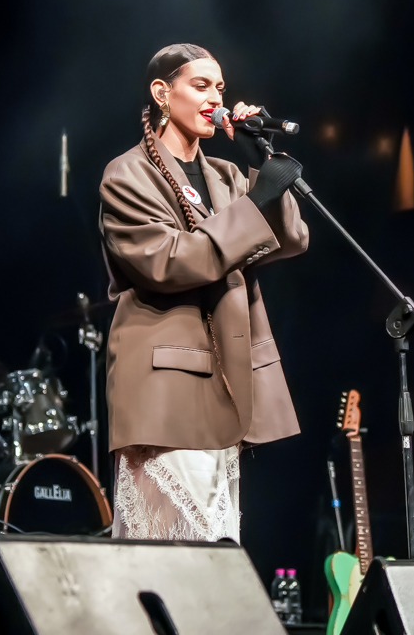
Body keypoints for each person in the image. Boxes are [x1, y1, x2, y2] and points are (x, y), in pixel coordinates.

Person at [97, 43, 309, 542]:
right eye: (201, 85)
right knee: (173, 549)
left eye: (220, 87)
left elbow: (292, 238)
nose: (216, 97)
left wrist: (260, 161)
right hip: (165, 385)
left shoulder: (227, 176)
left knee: (215, 546)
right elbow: (169, 261)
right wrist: (256, 202)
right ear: (161, 93)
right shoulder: (127, 174)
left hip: (224, 381)